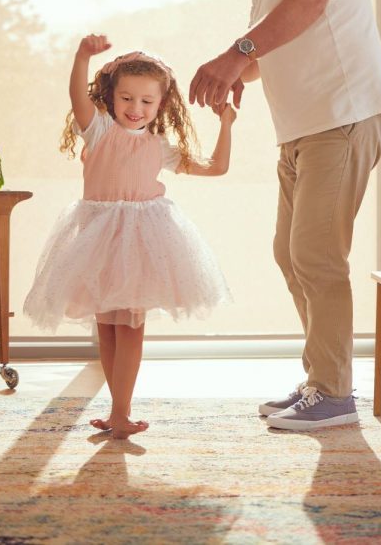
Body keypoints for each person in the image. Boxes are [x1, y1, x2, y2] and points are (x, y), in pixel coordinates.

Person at [191, 0, 381, 431]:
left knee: (316, 254)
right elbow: (273, 46)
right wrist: (242, 70)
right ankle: (320, 382)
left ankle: (333, 393)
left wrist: (236, 54)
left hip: (344, 117)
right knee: (290, 254)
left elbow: (309, 3)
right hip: (303, 132)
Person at [23, 33, 235, 439]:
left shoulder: (159, 147)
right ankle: (117, 411)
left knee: (130, 327)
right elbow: (75, 97)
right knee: (105, 325)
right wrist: (82, 57)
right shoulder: (98, 130)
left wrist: (226, 124)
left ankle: (121, 411)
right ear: (111, 96)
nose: (135, 109)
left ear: (161, 105)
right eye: (126, 98)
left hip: (141, 244)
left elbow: (217, 167)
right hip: (98, 241)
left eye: (146, 101)